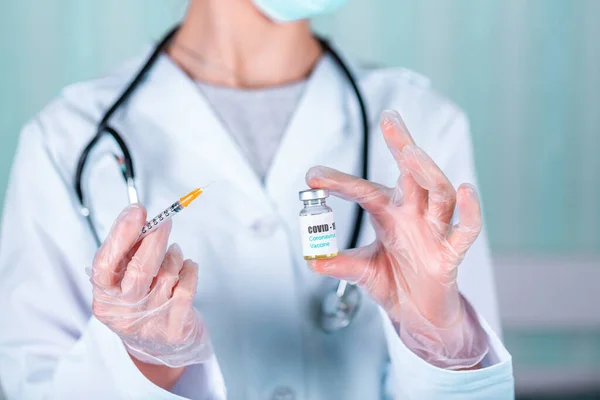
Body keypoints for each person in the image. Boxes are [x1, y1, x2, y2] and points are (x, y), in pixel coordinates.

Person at [0, 0, 514, 398]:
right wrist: (147, 362)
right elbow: (34, 383)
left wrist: (442, 343)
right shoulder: (66, 139)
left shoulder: (421, 122)